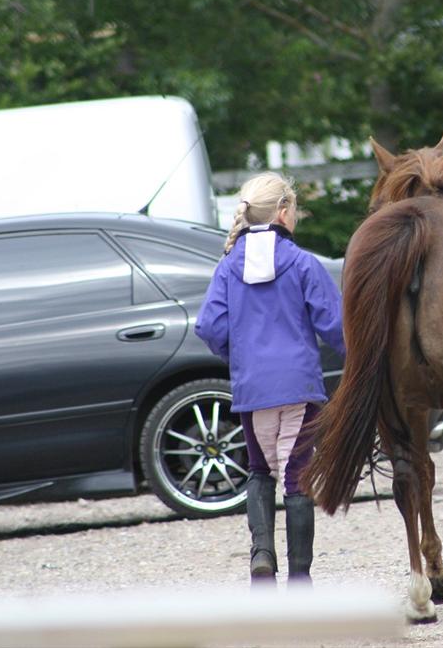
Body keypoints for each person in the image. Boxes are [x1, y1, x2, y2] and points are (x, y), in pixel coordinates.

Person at [195, 172, 345, 586]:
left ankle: (261, 556)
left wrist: (239, 356)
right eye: (294, 209)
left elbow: (209, 327)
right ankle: (300, 580)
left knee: (260, 471)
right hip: (298, 386)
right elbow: (335, 325)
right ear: (283, 212)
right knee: (297, 478)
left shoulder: (228, 267)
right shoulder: (302, 263)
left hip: (252, 388)